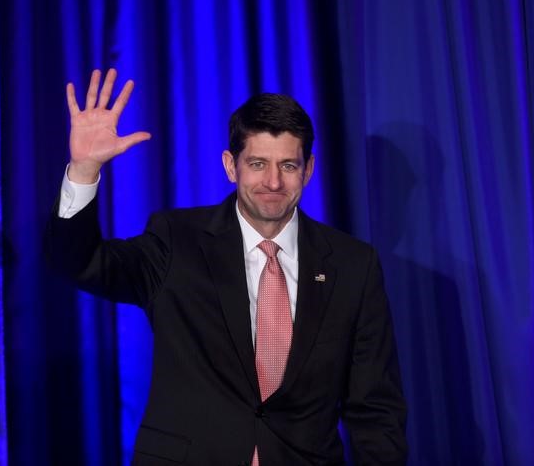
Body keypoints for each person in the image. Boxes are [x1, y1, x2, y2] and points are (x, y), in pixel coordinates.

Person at [46, 69, 407, 465]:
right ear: (230, 166)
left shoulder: (354, 265)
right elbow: (80, 263)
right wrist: (84, 171)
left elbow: (375, 409)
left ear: (308, 169)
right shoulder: (175, 240)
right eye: (257, 163)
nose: (272, 182)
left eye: (288, 165)